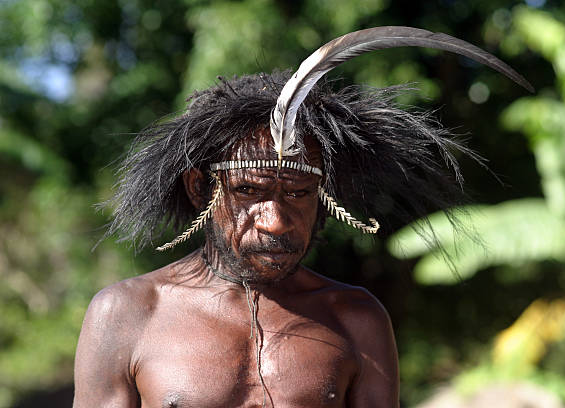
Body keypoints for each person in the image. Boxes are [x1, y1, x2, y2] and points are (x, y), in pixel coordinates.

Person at [73, 27, 530, 407]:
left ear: (322, 196)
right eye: (249, 191)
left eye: (297, 193)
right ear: (200, 189)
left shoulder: (356, 318)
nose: (274, 220)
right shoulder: (128, 313)